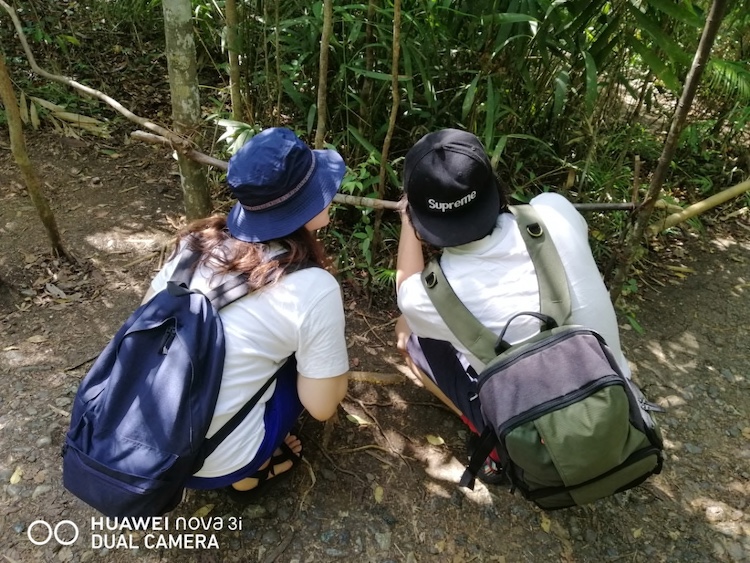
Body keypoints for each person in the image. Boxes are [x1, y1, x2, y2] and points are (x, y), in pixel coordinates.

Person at [394, 128, 631, 483]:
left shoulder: (430, 296)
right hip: (616, 406)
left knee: (409, 336)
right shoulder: (554, 212)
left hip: (542, 441)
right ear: (494, 187)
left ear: (420, 218)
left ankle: (499, 447)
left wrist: (405, 220)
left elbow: (406, 294)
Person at [143, 127, 350, 501]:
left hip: (144, 438)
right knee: (309, 371)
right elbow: (322, 408)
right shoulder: (312, 287)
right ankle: (248, 473)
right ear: (304, 204)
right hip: (210, 463)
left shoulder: (195, 244)